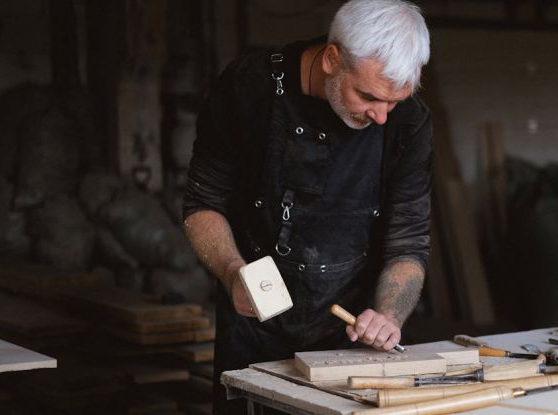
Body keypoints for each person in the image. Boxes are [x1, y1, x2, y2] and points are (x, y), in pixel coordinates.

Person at [182, 0, 432, 412]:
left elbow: (408, 240)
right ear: (333, 59)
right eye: (368, 96)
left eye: (396, 100)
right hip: (253, 327)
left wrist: (388, 317)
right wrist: (232, 272)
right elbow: (202, 203)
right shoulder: (250, 88)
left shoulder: (409, 121)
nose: (382, 116)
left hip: (351, 336)